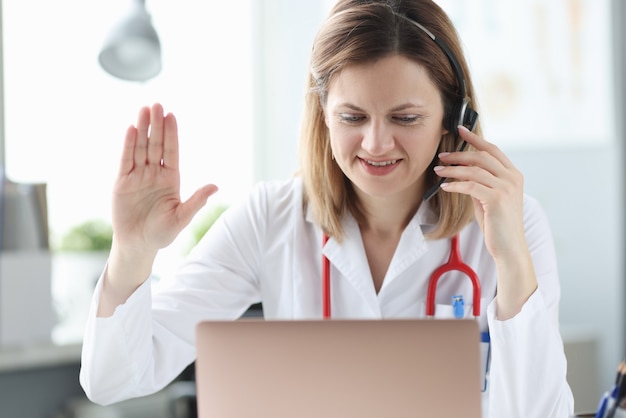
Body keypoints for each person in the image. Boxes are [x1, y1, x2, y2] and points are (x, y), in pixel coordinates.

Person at [80, 0, 575, 416]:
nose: (377, 144)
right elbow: (114, 379)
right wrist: (132, 252)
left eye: (405, 117)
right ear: (322, 115)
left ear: (454, 119)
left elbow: (539, 410)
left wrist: (511, 262)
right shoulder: (269, 219)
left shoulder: (514, 219)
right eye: (352, 116)